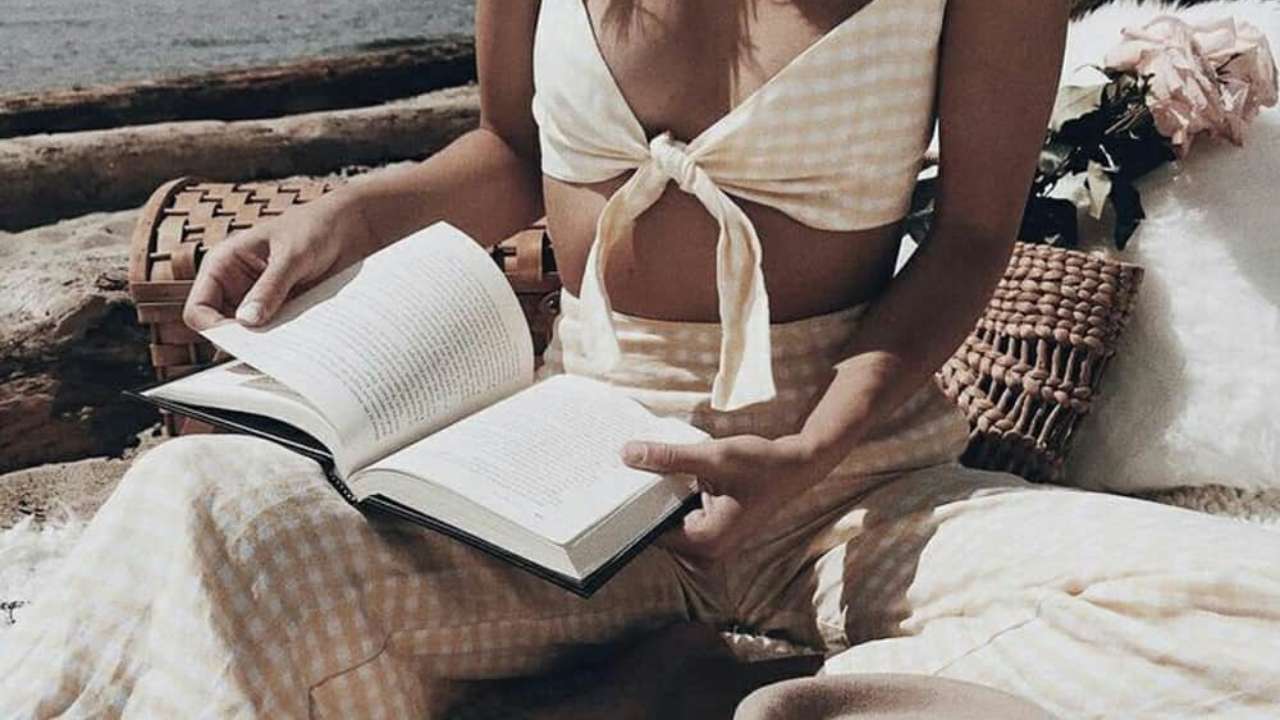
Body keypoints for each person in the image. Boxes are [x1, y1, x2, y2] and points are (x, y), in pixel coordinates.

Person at [3, 1, 1279, 717]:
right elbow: (509, 150)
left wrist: (808, 446)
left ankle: (769, 694)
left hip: (851, 483)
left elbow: (969, 242)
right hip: (562, 484)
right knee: (196, 503)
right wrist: (346, 214)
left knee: (1239, 601)